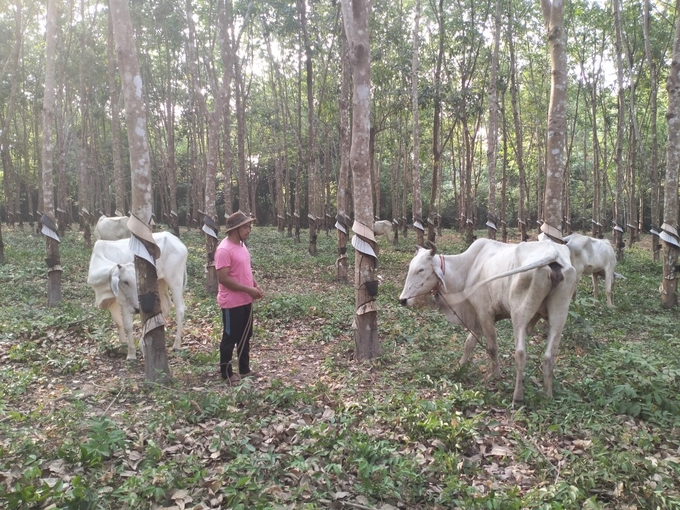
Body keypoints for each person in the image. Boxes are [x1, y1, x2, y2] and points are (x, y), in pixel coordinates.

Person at [215, 210, 264, 384]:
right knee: (230, 337)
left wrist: (255, 285)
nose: (249, 229)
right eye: (246, 227)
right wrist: (249, 290)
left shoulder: (242, 246)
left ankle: (244, 369)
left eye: (249, 226)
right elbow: (223, 278)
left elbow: (245, 269)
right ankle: (226, 373)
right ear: (235, 229)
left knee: (245, 334)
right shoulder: (224, 250)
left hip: (246, 300)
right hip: (232, 302)